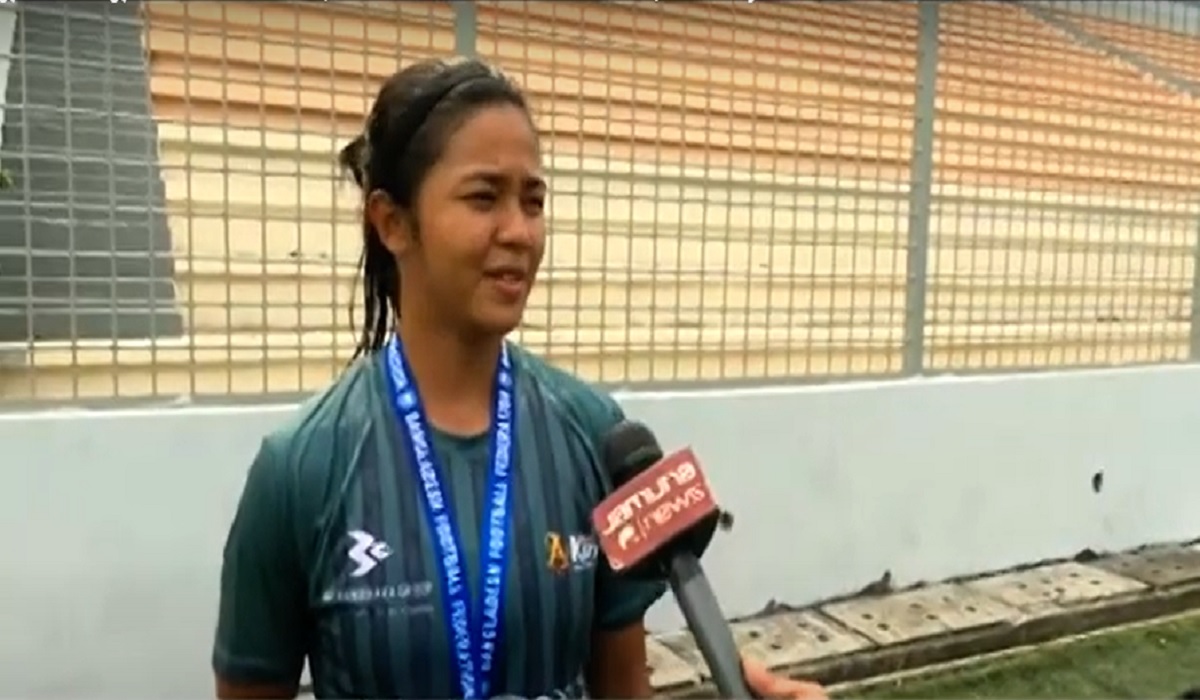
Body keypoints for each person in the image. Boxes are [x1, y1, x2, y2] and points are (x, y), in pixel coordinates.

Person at [211, 57, 828, 700]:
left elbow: (623, 687)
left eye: (533, 201)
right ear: (392, 222)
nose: (520, 232)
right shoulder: (301, 471)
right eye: (484, 198)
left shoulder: (596, 435)